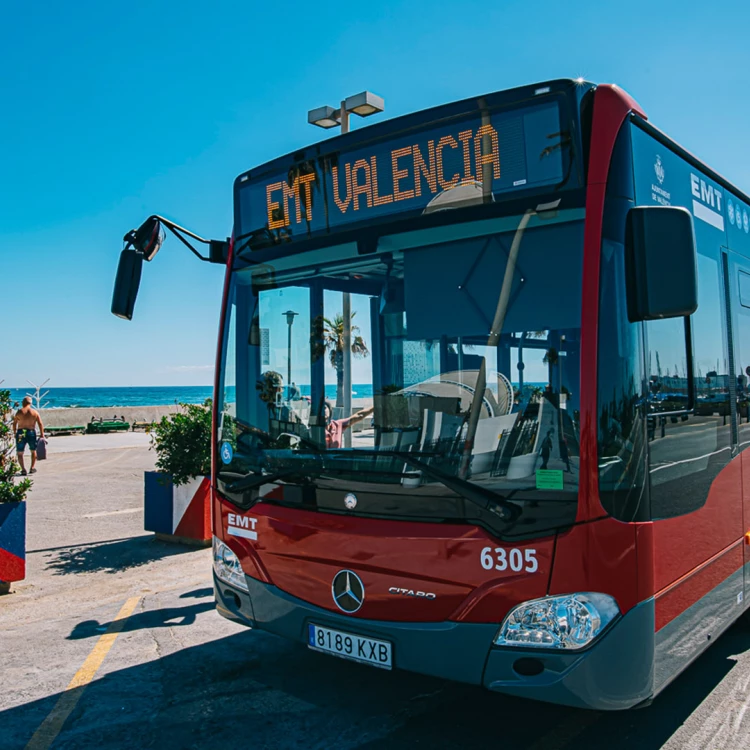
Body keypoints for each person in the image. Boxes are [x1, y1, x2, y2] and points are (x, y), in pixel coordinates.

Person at [13, 397, 45, 476]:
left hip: (21, 432)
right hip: (31, 432)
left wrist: (14, 433)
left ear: (23, 403)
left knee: (20, 452)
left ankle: (23, 469)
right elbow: (40, 423)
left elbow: (14, 423)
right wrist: (42, 434)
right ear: (30, 403)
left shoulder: (19, 412)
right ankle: (32, 467)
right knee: (33, 450)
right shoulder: (34, 412)